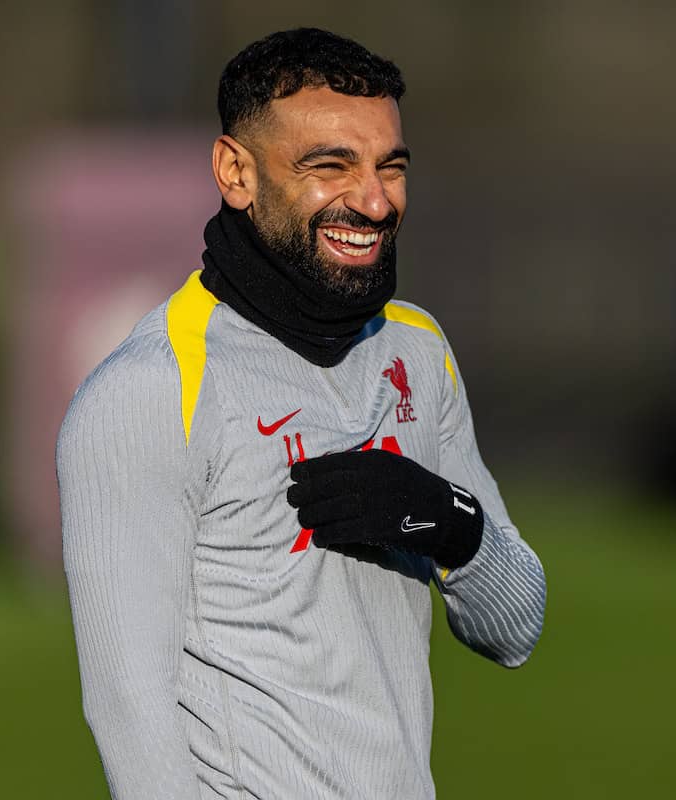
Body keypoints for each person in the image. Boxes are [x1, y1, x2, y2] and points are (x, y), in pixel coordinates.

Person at [57, 28, 546, 800]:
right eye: (330, 166)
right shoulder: (152, 390)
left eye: (390, 166)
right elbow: (129, 716)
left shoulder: (418, 351)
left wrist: (447, 522)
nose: (374, 199)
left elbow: (516, 627)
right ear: (235, 172)